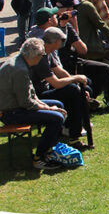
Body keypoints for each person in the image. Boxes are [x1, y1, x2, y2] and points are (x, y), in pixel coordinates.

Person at [0, 38, 66, 170]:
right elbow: (27, 103)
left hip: (16, 106)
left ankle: (50, 148)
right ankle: (39, 158)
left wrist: (49, 107)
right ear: (35, 56)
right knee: (57, 117)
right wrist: (49, 109)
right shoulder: (19, 70)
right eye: (42, 55)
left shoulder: (20, 61)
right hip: (11, 113)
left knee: (58, 104)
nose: (42, 58)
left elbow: (31, 94)